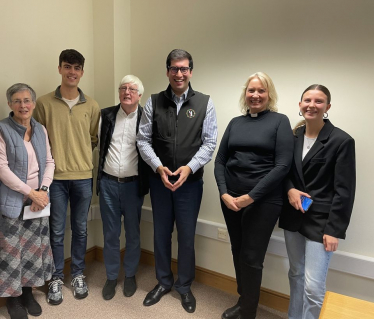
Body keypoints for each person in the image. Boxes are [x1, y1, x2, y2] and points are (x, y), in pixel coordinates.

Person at [137, 49, 218, 313]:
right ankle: (163, 282)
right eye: (174, 68)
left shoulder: (205, 102)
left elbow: (209, 143)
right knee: (161, 235)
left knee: (185, 237)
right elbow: (143, 140)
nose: (179, 73)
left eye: (184, 69)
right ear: (167, 71)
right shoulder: (154, 102)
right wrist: (159, 167)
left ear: (191, 72)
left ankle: (184, 286)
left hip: (190, 184)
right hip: (160, 181)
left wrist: (188, 168)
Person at [214, 72, 294, 319]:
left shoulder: (280, 121)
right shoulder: (236, 123)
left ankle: (248, 311)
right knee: (237, 249)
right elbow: (220, 161)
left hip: (264, 201)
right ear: (245, 94)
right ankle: (243, 301)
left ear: (269, 94)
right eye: (251, 90)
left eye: (261, 91)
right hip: (231, 200)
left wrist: (251, 197)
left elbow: (282, 166)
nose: (255, 95)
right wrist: (224, 193)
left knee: (251, 256)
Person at [279, 84, 356, 319]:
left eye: (318, 101)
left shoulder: (341, 140)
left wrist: (335, 230)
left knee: (313, 286)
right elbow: (283, 172)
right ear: (300, 105)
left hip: (322, 222)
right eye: (307, 100)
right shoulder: (292, 137)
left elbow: (345, 191)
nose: (312, 105)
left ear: (327, 107)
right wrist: (290, 190)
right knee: (295, 274)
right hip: (294, 216)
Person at [33, 49, 100, 305]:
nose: (72, 72)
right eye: (67, 66)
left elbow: (92, 139)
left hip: (83, 176)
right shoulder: (43, 103)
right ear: (60, 68)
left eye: (77, 68)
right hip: (55, 179)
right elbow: (38, 140)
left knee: (81, 229)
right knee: (57, 230)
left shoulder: (91, 105)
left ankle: (79, 274)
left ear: (82, 72)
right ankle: (57, 277)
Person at [0, 83, 55, 319]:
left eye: (27, 100)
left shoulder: (40, 129)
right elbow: (1, 168)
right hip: (14, 200)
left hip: (38, 201)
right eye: (17, 101)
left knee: (34, 250)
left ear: (33, 103)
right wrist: (30, 192)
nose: (23, 105)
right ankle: (13, 301)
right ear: (10, 104)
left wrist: (42, 191)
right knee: (12, 252)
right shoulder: (2, 129)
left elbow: (50, 162)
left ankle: (27, 294)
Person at [97, 75, 149, 300]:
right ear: (119, 92)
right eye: (123, 88)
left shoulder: (148, 117)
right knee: (110, 234)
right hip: (108, 183)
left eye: (132, 89)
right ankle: (110, 276)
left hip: (133, 185)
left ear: (139, 95)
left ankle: (129, 275)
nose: (127, 92)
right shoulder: (106, 115)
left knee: (133, 233)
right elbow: (99, 145)